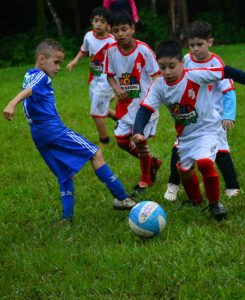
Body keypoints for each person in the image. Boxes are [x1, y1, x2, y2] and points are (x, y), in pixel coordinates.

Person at [133, 40, 245, 221]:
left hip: (209, 129)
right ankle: (195, 200)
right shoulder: (159, 86)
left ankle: (215, 204)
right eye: (162, 67)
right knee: (184, 171)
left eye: (172, 66)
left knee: (205, 162)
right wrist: (138, 130)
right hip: (186, 136)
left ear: (182, 62)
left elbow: (227, 71)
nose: (167, 72)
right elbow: (145, 109)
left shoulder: (196, 76)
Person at [3, 39, 137, 222]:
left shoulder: (30, 73)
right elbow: (28, 90)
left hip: (38, 134)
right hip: (53, 130)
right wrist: (11, 103)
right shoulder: (40, 76)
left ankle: (67, 218)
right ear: (42, 59)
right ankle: (122, 198)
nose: (58, 67)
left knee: (64, 174)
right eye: (56, 62)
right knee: (95, 153)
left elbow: (30, 89)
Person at [164, 20, 241, 202]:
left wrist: (228, 115)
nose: (196, 49)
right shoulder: (185, 61)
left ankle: (233, 186)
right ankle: (173, 185)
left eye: (200, 44)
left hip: (214, 118)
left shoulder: (216, 62)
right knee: (178, 148)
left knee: (220, 150)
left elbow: (228, 90)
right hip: (191, 116)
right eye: (192, 45)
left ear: (210, 42)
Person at [104, 11, 162, 194]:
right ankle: (151, 162)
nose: (120, 34)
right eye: (116, 31)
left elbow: (156, 76)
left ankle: (145, 179)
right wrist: (117, 89)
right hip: (125, 105)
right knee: (121, 141)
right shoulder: (111, 51)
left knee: (140, 141)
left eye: (124, 29)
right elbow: (110, 76)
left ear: (132, 28)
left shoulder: (143, 49)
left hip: (144, 106)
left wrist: (150, 98)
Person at [67, 7, 116, 145]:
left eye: (102, 21)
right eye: (96, 21)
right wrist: (75, 61)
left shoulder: (113, 42)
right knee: (101, 107)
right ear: (91, 22)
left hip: (107, 82)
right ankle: (121, 120)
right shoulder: (88, 36)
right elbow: (84, 50)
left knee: (96, 112)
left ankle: (104, 140)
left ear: (108, 25)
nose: (99, 24)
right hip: (93, 80)